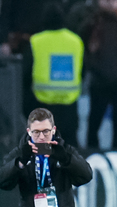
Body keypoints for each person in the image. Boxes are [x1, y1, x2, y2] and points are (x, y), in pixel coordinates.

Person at [0, 108, 93, 207]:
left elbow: (86, 175)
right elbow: (1, 181)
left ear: (53, 130)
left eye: (46, 131)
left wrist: (65, 159)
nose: (41, 137)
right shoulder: (21, 152)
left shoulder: (64, 149)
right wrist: (21, 162)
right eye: (36, 132)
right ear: (29, 131)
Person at [23, 3, 84, 148]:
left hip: (42, 105)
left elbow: (25, 73)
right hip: (69, 106)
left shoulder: (36, 41)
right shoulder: (76, 41)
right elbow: (83, 70)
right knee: (69, 152)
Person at [81, 0, 117, 150]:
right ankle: (92, 155)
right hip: (99, 80)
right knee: (94, 123)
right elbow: (83, 41)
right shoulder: (92, 21)